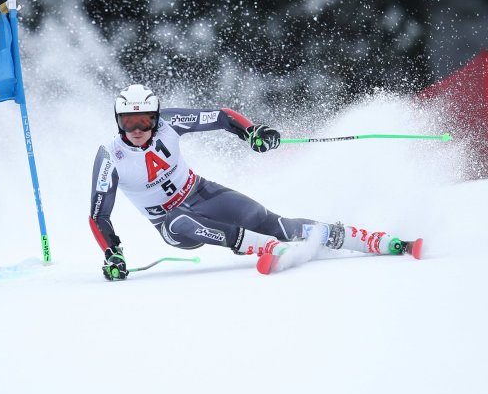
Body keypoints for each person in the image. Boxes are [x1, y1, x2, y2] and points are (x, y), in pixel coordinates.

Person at [89, 84, 420, 280]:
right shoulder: (110, 156)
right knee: (178, 221)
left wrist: (252, 132)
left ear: (156, 117)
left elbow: (221, 116)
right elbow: (98, 215)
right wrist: (112, 254)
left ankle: (371, 240)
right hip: (172, 225)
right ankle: (265, 248)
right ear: (118, 122)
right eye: (128, 121)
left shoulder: (171, 122)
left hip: (202, 193)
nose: (137, 129)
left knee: (273, 222)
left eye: (144, 120)